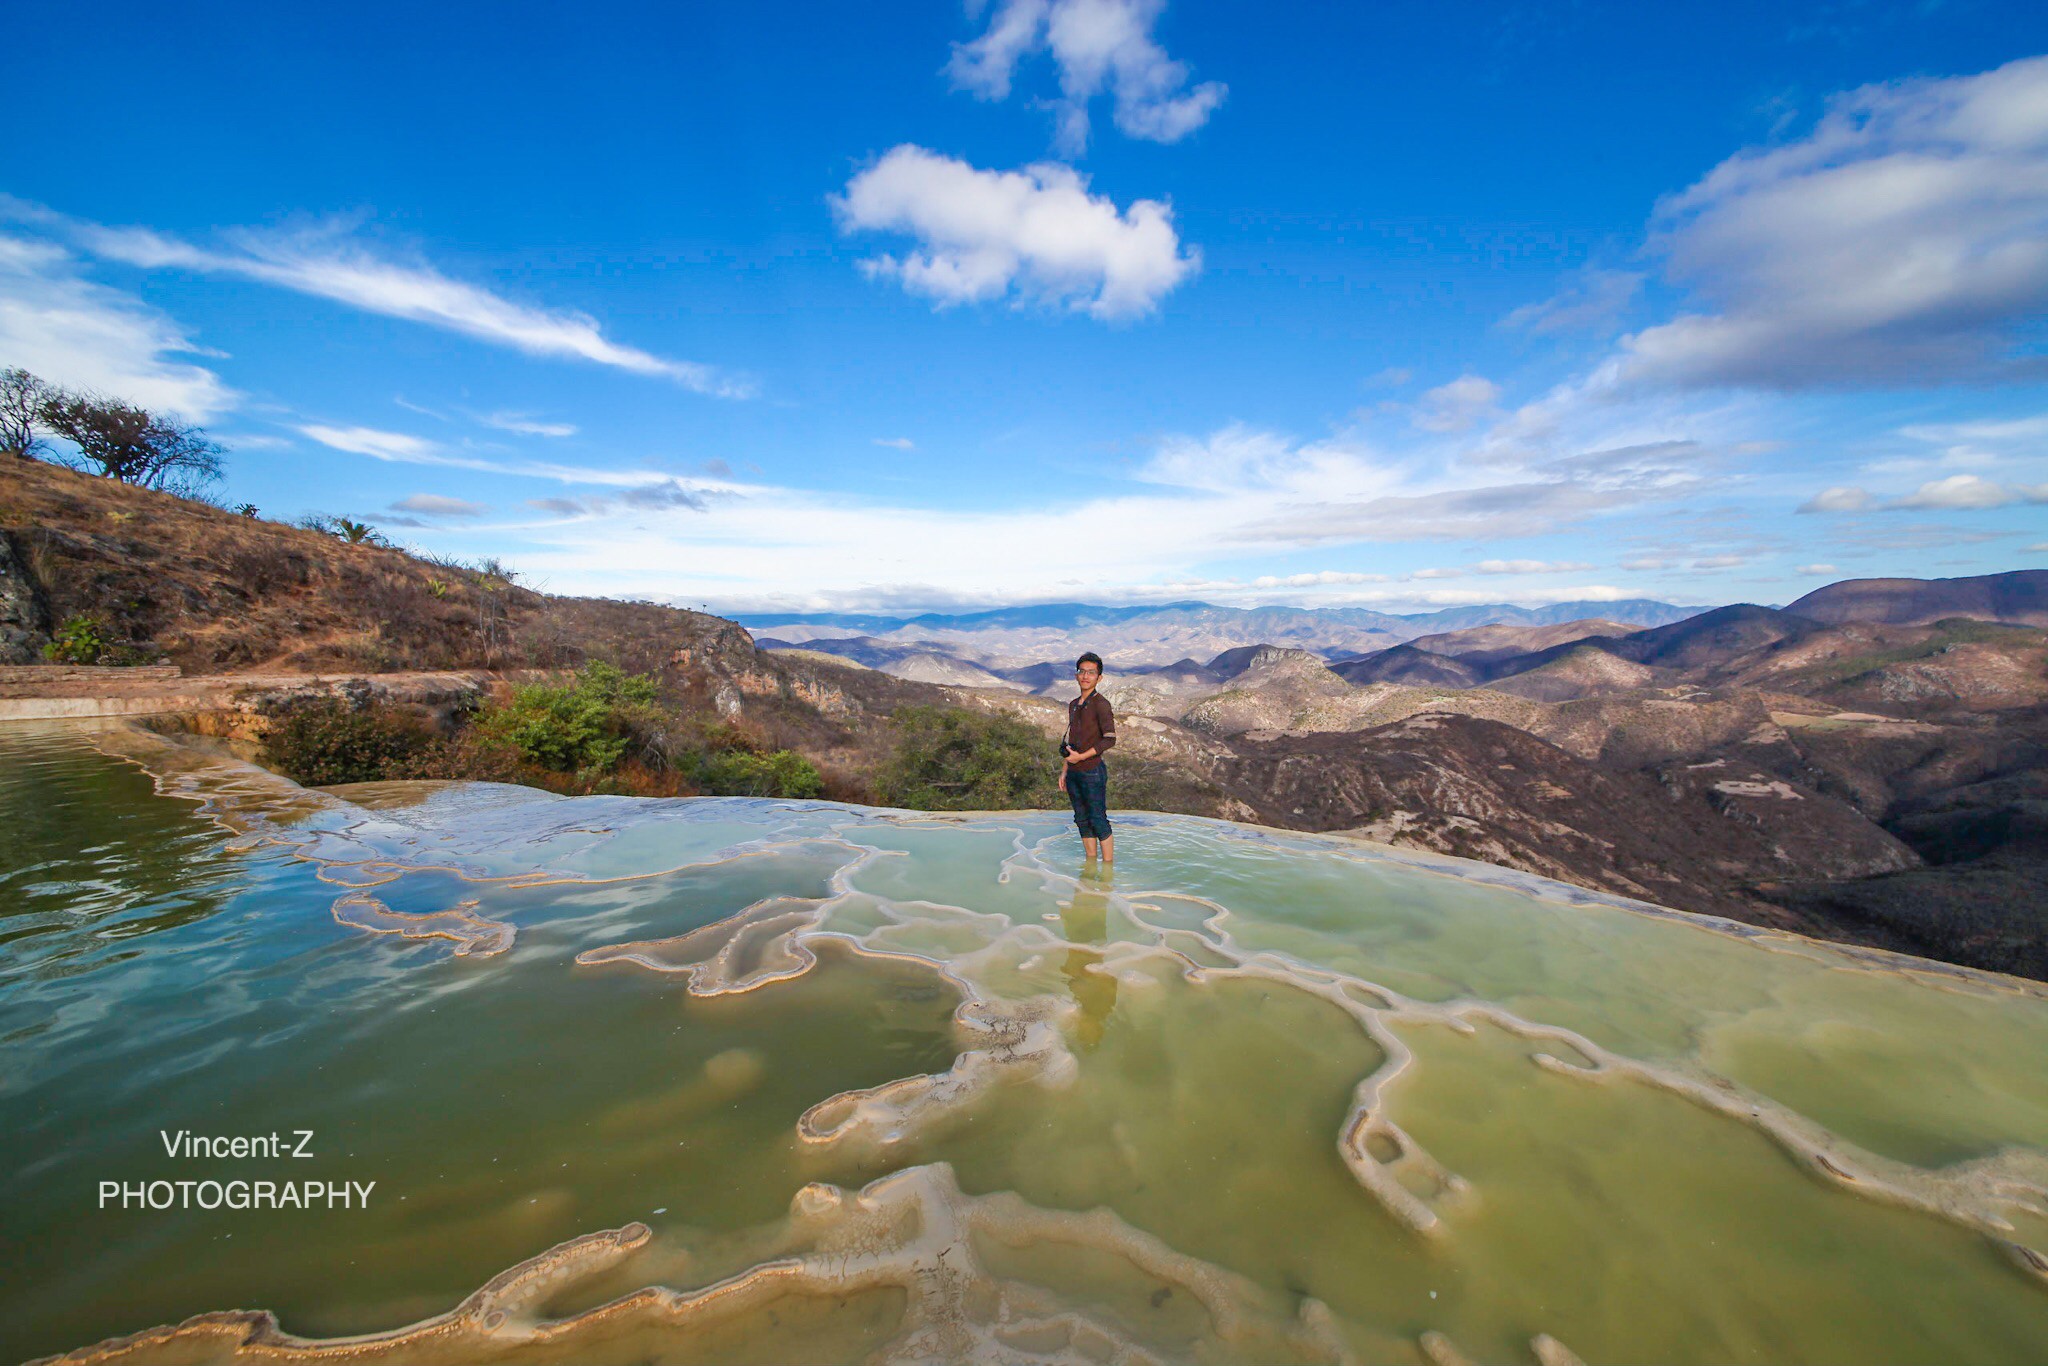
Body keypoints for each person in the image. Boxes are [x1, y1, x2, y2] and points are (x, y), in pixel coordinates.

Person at [1058, 651, 1116, 862]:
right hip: (1074, 772)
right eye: (1081, 671)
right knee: (1081, 819)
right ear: (1076, 675)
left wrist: (1081, 757)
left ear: (1099, 678)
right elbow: (1072, 741)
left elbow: (1109, 739)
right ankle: (1091, 863)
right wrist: (1065, 769)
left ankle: (1108, 867)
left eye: (1091, 672)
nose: (1085, 676)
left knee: (1098, 819)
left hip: (1092, 770)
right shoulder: (1074, 704)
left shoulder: (1101, 704)